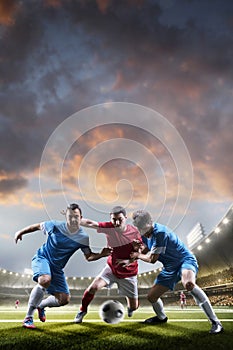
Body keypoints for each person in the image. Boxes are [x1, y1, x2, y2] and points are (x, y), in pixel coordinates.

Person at [14, 203, 112, 329]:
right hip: (42, 258)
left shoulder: (83, 238)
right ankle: (28, 317)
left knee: (64, 299)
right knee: (44, 279)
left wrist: (101, 254)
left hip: (57, 269)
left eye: (76, 217)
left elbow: (88, 257)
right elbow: (37, 226)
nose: (73, 219)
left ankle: (41, 305)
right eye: (70, 217)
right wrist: (20, 232)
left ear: (81, 217)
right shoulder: (55, 225)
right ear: (66, 217)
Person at [130, 210, 223, 334]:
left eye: (144, 229)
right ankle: (161, 318)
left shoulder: (160, 233)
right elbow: (147, 249)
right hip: (170, 268)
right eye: (140, 229)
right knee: (151, 297)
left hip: (184, 260)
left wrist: (137, 254)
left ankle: (216, 322)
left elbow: (152, 259)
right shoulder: (144, 234)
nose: (143, 233)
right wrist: (139, 249)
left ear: (150, 222)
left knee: (189, 284)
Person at [74, 205, 142, 323]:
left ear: (125, 218)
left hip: (129, 273)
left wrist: (135, 253)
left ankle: (131, 308)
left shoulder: (134, 232)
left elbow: (140, 253)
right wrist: (75, 219)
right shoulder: (109, 227)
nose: (116, 222)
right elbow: (91, 223)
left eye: (119, 219)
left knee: (134, 306)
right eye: (113, 219)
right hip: (111, 268)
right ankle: (82, 311)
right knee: (92, 288)